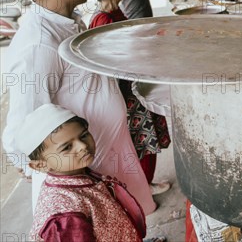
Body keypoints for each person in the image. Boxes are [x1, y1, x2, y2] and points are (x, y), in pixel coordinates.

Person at [2, 0, 155, 214]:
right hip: (84, 174)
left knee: (126, 224)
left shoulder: (68, 21)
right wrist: (65, 176)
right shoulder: (38, 45)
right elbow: (22, 129)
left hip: (108, 155)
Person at [87, 0, 171, 196]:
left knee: (146, 139)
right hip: (126, 93)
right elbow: (111, 62)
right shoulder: (102, 21)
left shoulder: (113, 12)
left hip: (133, 85)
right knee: (143, 142)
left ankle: (145, 184)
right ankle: (144, 188)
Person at [16, 104, 146, 242]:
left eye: (83, 135)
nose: (82, 146)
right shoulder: (65, 217)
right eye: (67, 147)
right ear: (40, 165)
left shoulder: (76, 173)